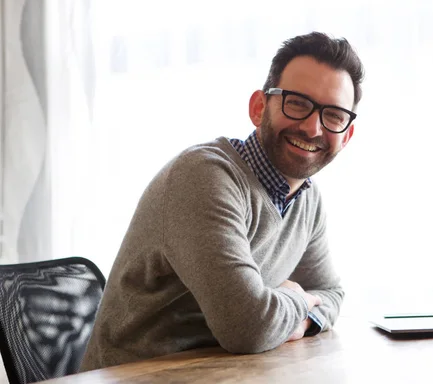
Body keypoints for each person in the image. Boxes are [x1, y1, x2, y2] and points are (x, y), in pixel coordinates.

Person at [80, 31, 365, 370]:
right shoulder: (204, 176)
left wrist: (293, 312)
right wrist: (299, 299)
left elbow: (331, 293)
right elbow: (247, 328)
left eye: (333, 115)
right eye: (298, 103)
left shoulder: (307, 200)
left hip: (226, 374)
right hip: (140, 376)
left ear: (345, 135)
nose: (313, 127)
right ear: (259, 107)